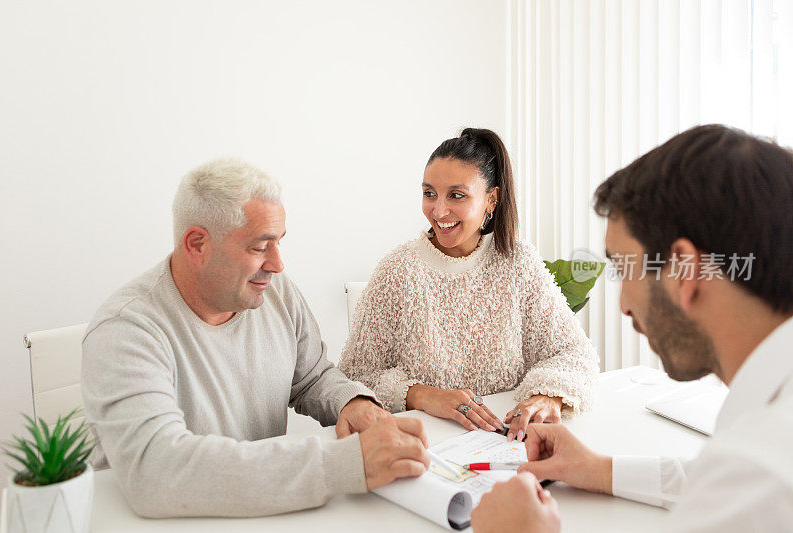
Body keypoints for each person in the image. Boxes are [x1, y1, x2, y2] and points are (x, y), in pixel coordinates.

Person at [471, 124, 793, 532]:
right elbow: (719, 482)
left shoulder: (769, 470)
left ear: (685, 271)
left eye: (625, 268)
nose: (623, 304)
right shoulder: (759, 447)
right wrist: (598, 469)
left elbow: (747, 482)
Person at [81, 158, 431, 518]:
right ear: (197, 244)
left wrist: (352, 404)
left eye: (279, 242)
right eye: (260, 247)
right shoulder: (125, 330)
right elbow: (156, 470)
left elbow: (312, 377)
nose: (278, 264)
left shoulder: (274, 292)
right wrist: (341, 465)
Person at [338, 128, 599, 442]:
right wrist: (424, 396)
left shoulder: (518, 262)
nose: (438, 210)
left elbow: (575, 354)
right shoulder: (398, 270)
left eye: (456, 195)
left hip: (508, 441)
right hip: (428, 443)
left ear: (492, 199)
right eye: (429, 193)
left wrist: (548, 396)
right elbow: (353, 378)